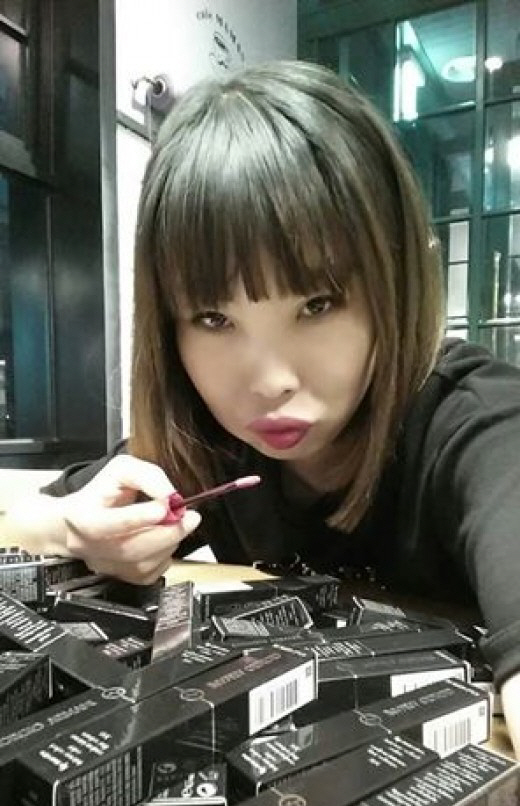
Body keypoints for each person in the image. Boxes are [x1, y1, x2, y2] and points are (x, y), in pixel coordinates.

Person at [3, 60, 520, 753]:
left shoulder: (478, 428)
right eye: (214, 319)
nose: (270, 382)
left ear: (393, 285)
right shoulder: (208, 445)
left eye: (318, 304)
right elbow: (31, 518)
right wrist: (77, 530)